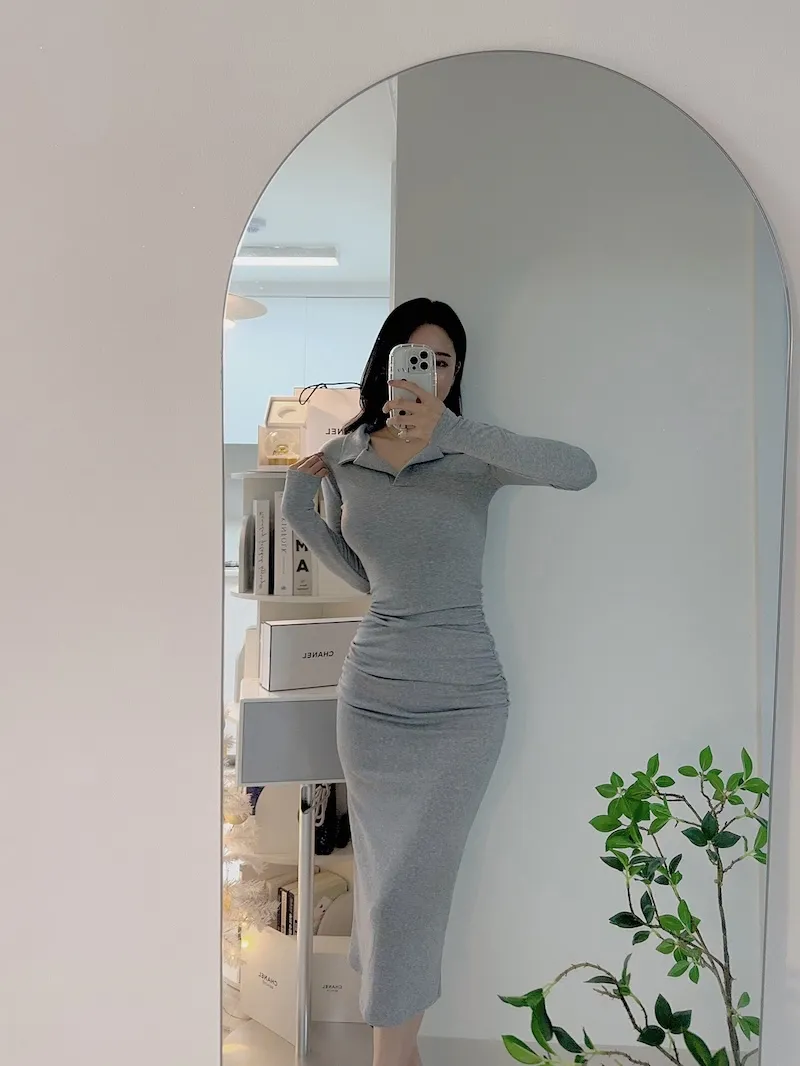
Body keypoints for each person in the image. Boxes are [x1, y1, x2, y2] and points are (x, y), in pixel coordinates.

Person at [281, 298, 596, 1066]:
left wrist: (450, 431)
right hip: (372, 701)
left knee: (408, 893)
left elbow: (577, 471)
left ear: (455, 374)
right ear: (387, 362)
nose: (430, 372)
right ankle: (401, 1054)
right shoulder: (346, 459)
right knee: (384, 886)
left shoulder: (472, 454)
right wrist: (302, 517)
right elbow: (372, 581)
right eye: (415, 357)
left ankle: (388, 1056)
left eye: (444, 361)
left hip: (462, 704)